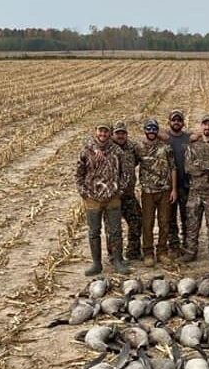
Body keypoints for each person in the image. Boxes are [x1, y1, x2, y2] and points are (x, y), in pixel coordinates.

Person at [75, 122, 129, 275]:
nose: (103, 134)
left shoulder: (117, 151)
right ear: (95, 132)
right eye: (100, 131)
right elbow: (79, 174)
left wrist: (120, 191)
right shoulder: (86, 150)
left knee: (116, 231)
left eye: (106, 132)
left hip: (113, 197)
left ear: (110, 134)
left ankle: (118, 261)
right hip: (92, 198)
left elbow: (125, 174)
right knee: (94, 232)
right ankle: (97, 264)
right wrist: (83, 192)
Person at [180, 114, 209, 263]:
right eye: (205, 124)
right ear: (201, 126)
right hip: (194, 192)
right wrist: (208, 166)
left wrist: (201, 165)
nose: (207, 127)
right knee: (191, 225)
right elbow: (188, 168)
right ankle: (191, 252)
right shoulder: (194, 145)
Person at [135, 118, 177, 266]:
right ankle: (147, 253)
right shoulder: (138, 147)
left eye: (154, 129)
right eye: (148, 129)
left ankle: (162, 252)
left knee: (164, 222)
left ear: (157, 130)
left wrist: (174, 189)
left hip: (165, 190)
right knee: (147, 223)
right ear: (145, 130)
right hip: (147, 191)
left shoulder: (165, 147)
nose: (151, 131)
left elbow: (173, 168)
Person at [103, 121, 143, 260]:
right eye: (117, 133)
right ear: (112, 135)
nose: (120, 136)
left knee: (137, 221)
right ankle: (114, 255)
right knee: (112, 228)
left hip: (128, 195)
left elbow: (140, 160)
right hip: (111, 197)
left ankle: (133, 252)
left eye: (123, 133)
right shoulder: (106, 148)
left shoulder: (132, 147)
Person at [166, 109, 190, 256]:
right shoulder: (165, 138)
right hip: (169, 186)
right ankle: (174, 246)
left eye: (179, 120)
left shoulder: (188, 138)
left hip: (186, 185)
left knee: (187, 217)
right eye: (174, 120)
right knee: (170, 218)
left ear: (183, 123)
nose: (176, 122)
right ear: (169, 122)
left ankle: (187, 245)